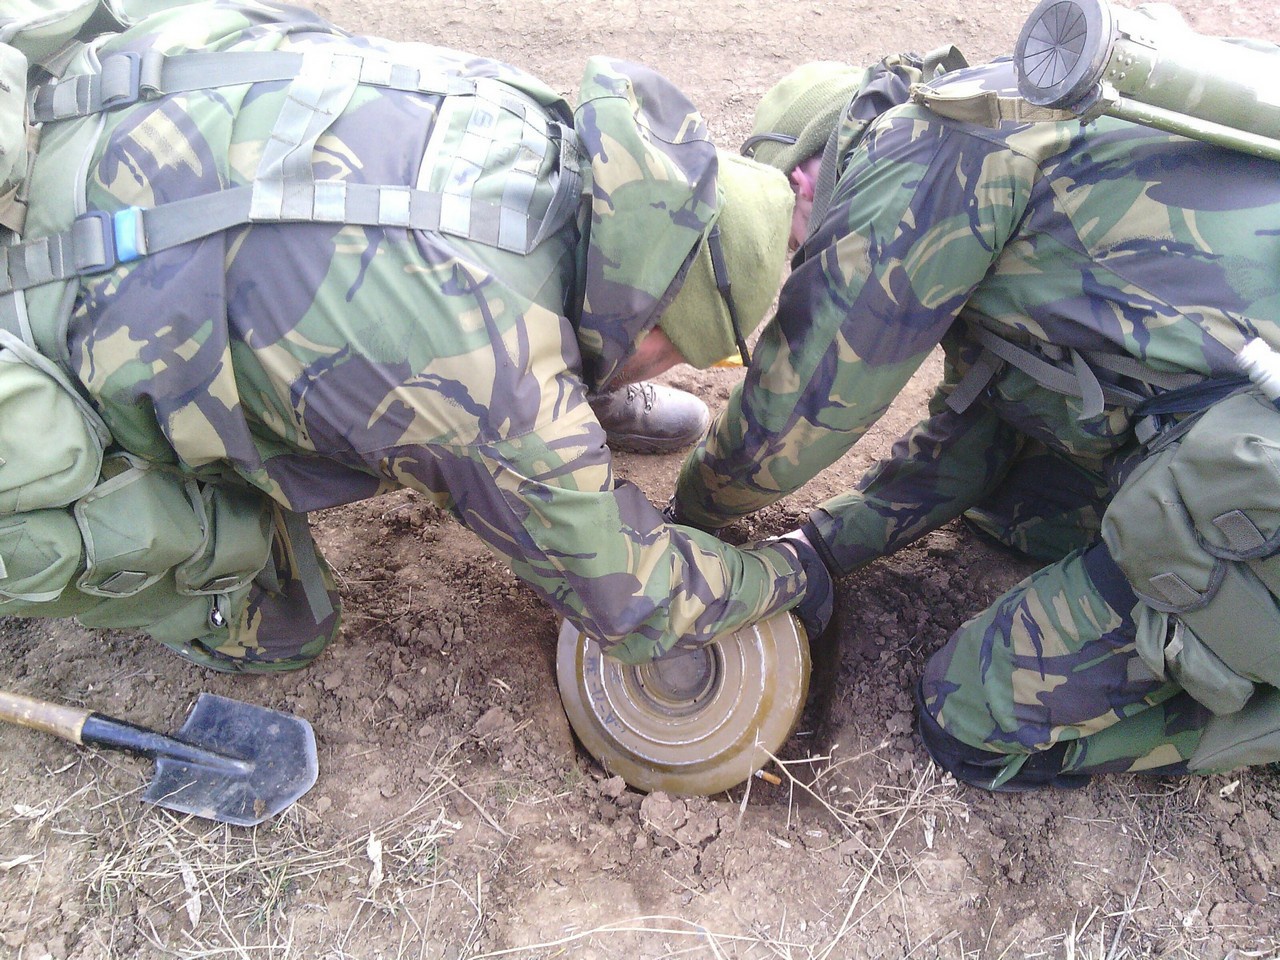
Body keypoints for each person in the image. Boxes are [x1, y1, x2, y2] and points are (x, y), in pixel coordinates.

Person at [0, 0, 828, 673]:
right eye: (686, 352)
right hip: (41, 325)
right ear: (653, 324)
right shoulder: (503, 385)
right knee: (285, 622)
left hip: (94, 116)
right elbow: (634, 602)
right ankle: (145, 550)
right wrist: (791, 568)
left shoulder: (521, 111)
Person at [666, 48, 1280, 790]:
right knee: (1016, 511)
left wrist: (690, 516)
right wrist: (817, 552)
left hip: (1250, 480)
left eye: (793, 239)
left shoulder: (919, 157)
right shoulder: (1007, 129)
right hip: (1229, 426)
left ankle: (1250, 722)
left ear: (804, 175)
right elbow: (982, 426)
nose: (801, 257)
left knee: (966, 719)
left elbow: (795, 416)